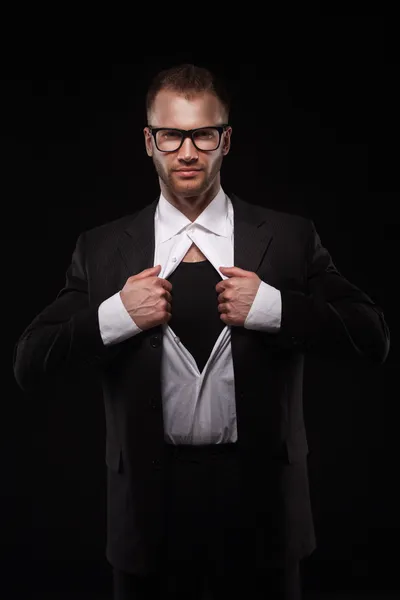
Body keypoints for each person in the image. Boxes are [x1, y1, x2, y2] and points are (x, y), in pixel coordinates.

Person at [13, 63, 390, 600]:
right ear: (149, 141)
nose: (187, 152)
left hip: (264, 512)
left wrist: (277, 309)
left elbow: (372, 336)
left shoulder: (287, 238)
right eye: (171, 135)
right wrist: (116, 315)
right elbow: (30, 361)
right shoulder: (100, 249)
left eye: (203, 134)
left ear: (226, 140)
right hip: (146, 513)